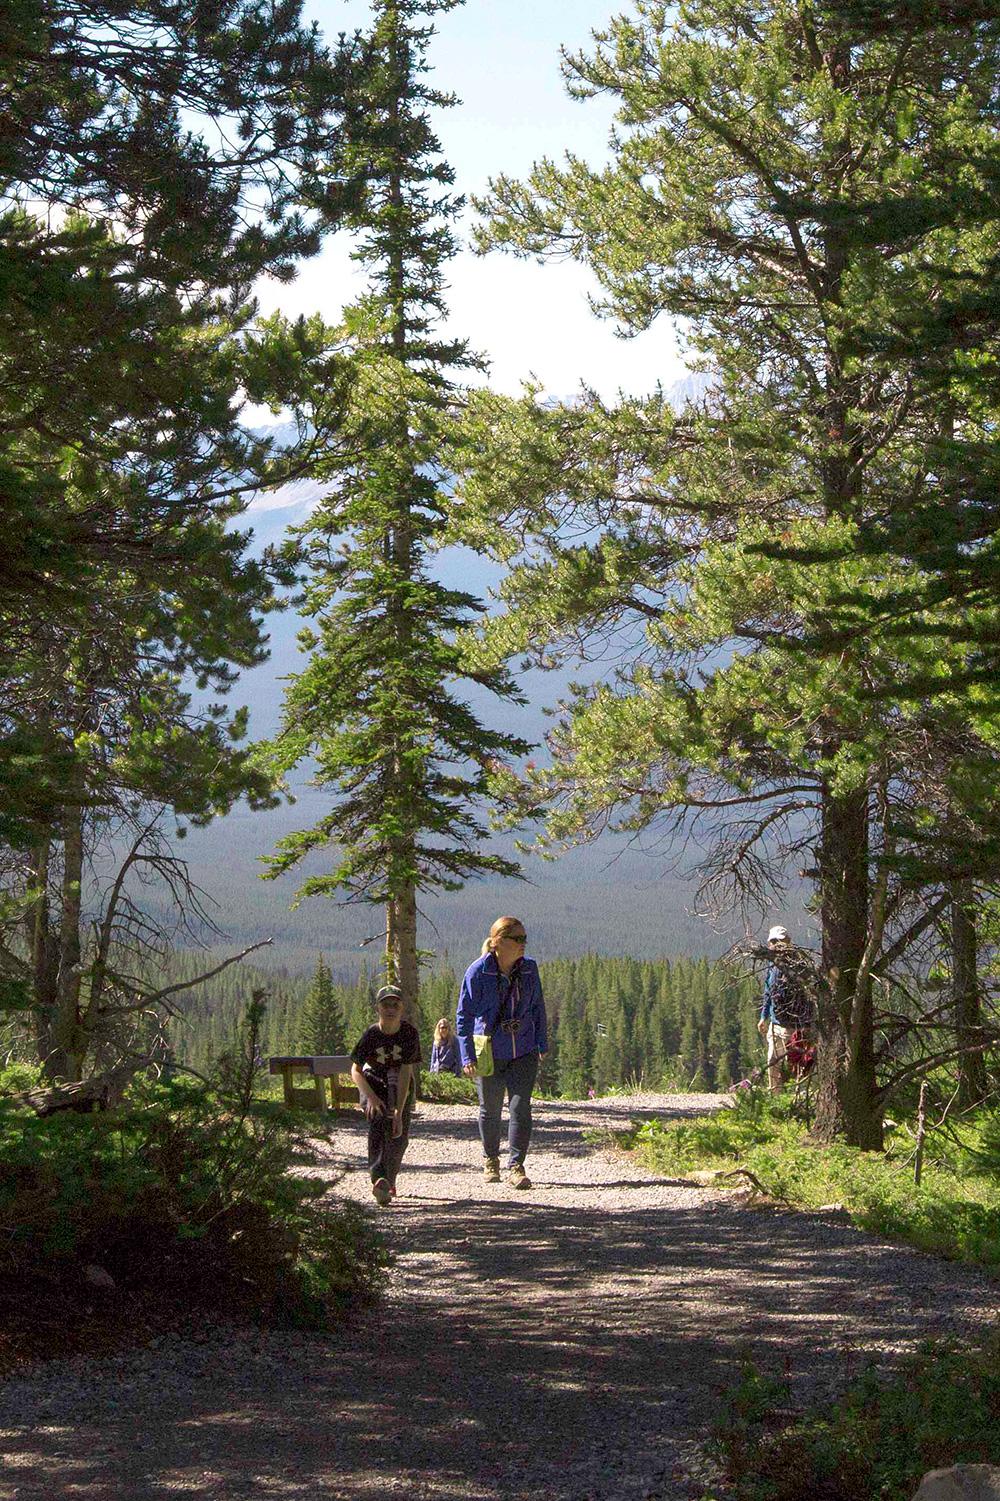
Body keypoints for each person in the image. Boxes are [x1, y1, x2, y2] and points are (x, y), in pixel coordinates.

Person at [456, 916, 547, 1190]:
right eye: (517, 939)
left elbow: (538, 1007)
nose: (523, 944)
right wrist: (467, 1055)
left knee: (520, 1107)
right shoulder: (477, 972)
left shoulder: (529, 969)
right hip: (490, 1051)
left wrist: (541, 1042)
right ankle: (491, 1160)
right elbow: (464, 1016)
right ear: (497, 942)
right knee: (490, 1109)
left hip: (524, 1049)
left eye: (524, 939)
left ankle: (516, 1166)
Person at [350, 984, 421, 1207]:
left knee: (399, 1134)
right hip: (373, 1083)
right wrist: (371, 1098)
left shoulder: (409, 1034)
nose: (390, 1009)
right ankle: (379, 1179)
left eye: (395, 1005)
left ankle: (389, 1179)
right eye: (385, 1005)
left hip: (399, 1083)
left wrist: (399, 1109)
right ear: (378, 1008)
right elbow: (355, 1070)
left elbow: (406, 1072)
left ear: (402, 1008)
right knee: (378, 1124)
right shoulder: (371, 1035)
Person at [757, 925, 814, 1093]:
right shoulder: (772, 965)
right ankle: (775, 1097)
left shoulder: (799, 965)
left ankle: (797, 1099)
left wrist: (806, 1025)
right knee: (772, 1062)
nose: (776, 945)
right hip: (775, 1025)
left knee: (797, 1066)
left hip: (794, 1027)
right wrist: (763, 1017)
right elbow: (768, 992)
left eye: (779, 941)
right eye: (773, 941)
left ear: (788, 942)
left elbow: (808, 996)